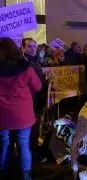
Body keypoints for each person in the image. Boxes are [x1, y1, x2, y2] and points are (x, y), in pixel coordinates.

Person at [0, 37, 42, 180]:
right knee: (24, 144)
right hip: (22, 114)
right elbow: (38, 86)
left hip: (2, 114)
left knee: (3, 143)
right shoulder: (25, 67)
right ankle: (26, 175)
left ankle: (3, 172)